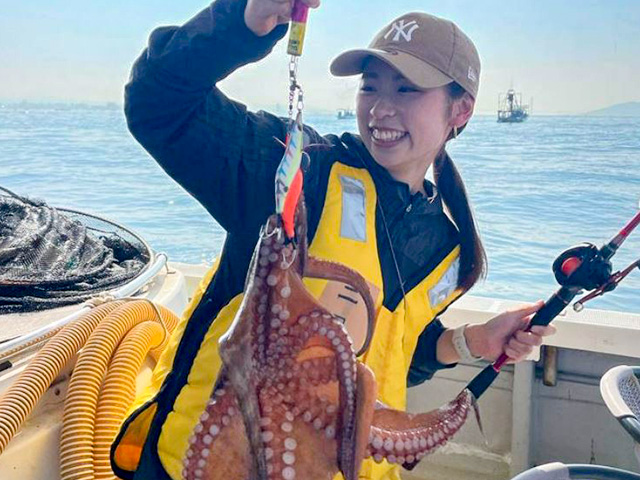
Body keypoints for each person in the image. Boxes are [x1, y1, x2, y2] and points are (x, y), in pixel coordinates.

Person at [111, 1, 556, 479]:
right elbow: (158, 104)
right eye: (370, 86)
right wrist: (242, 23)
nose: (381, 108)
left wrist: (472, 342)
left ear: (460, 109)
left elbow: (392, 354)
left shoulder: (444, 245)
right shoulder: (297, 171)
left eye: (407, 89)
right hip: (204, 463)